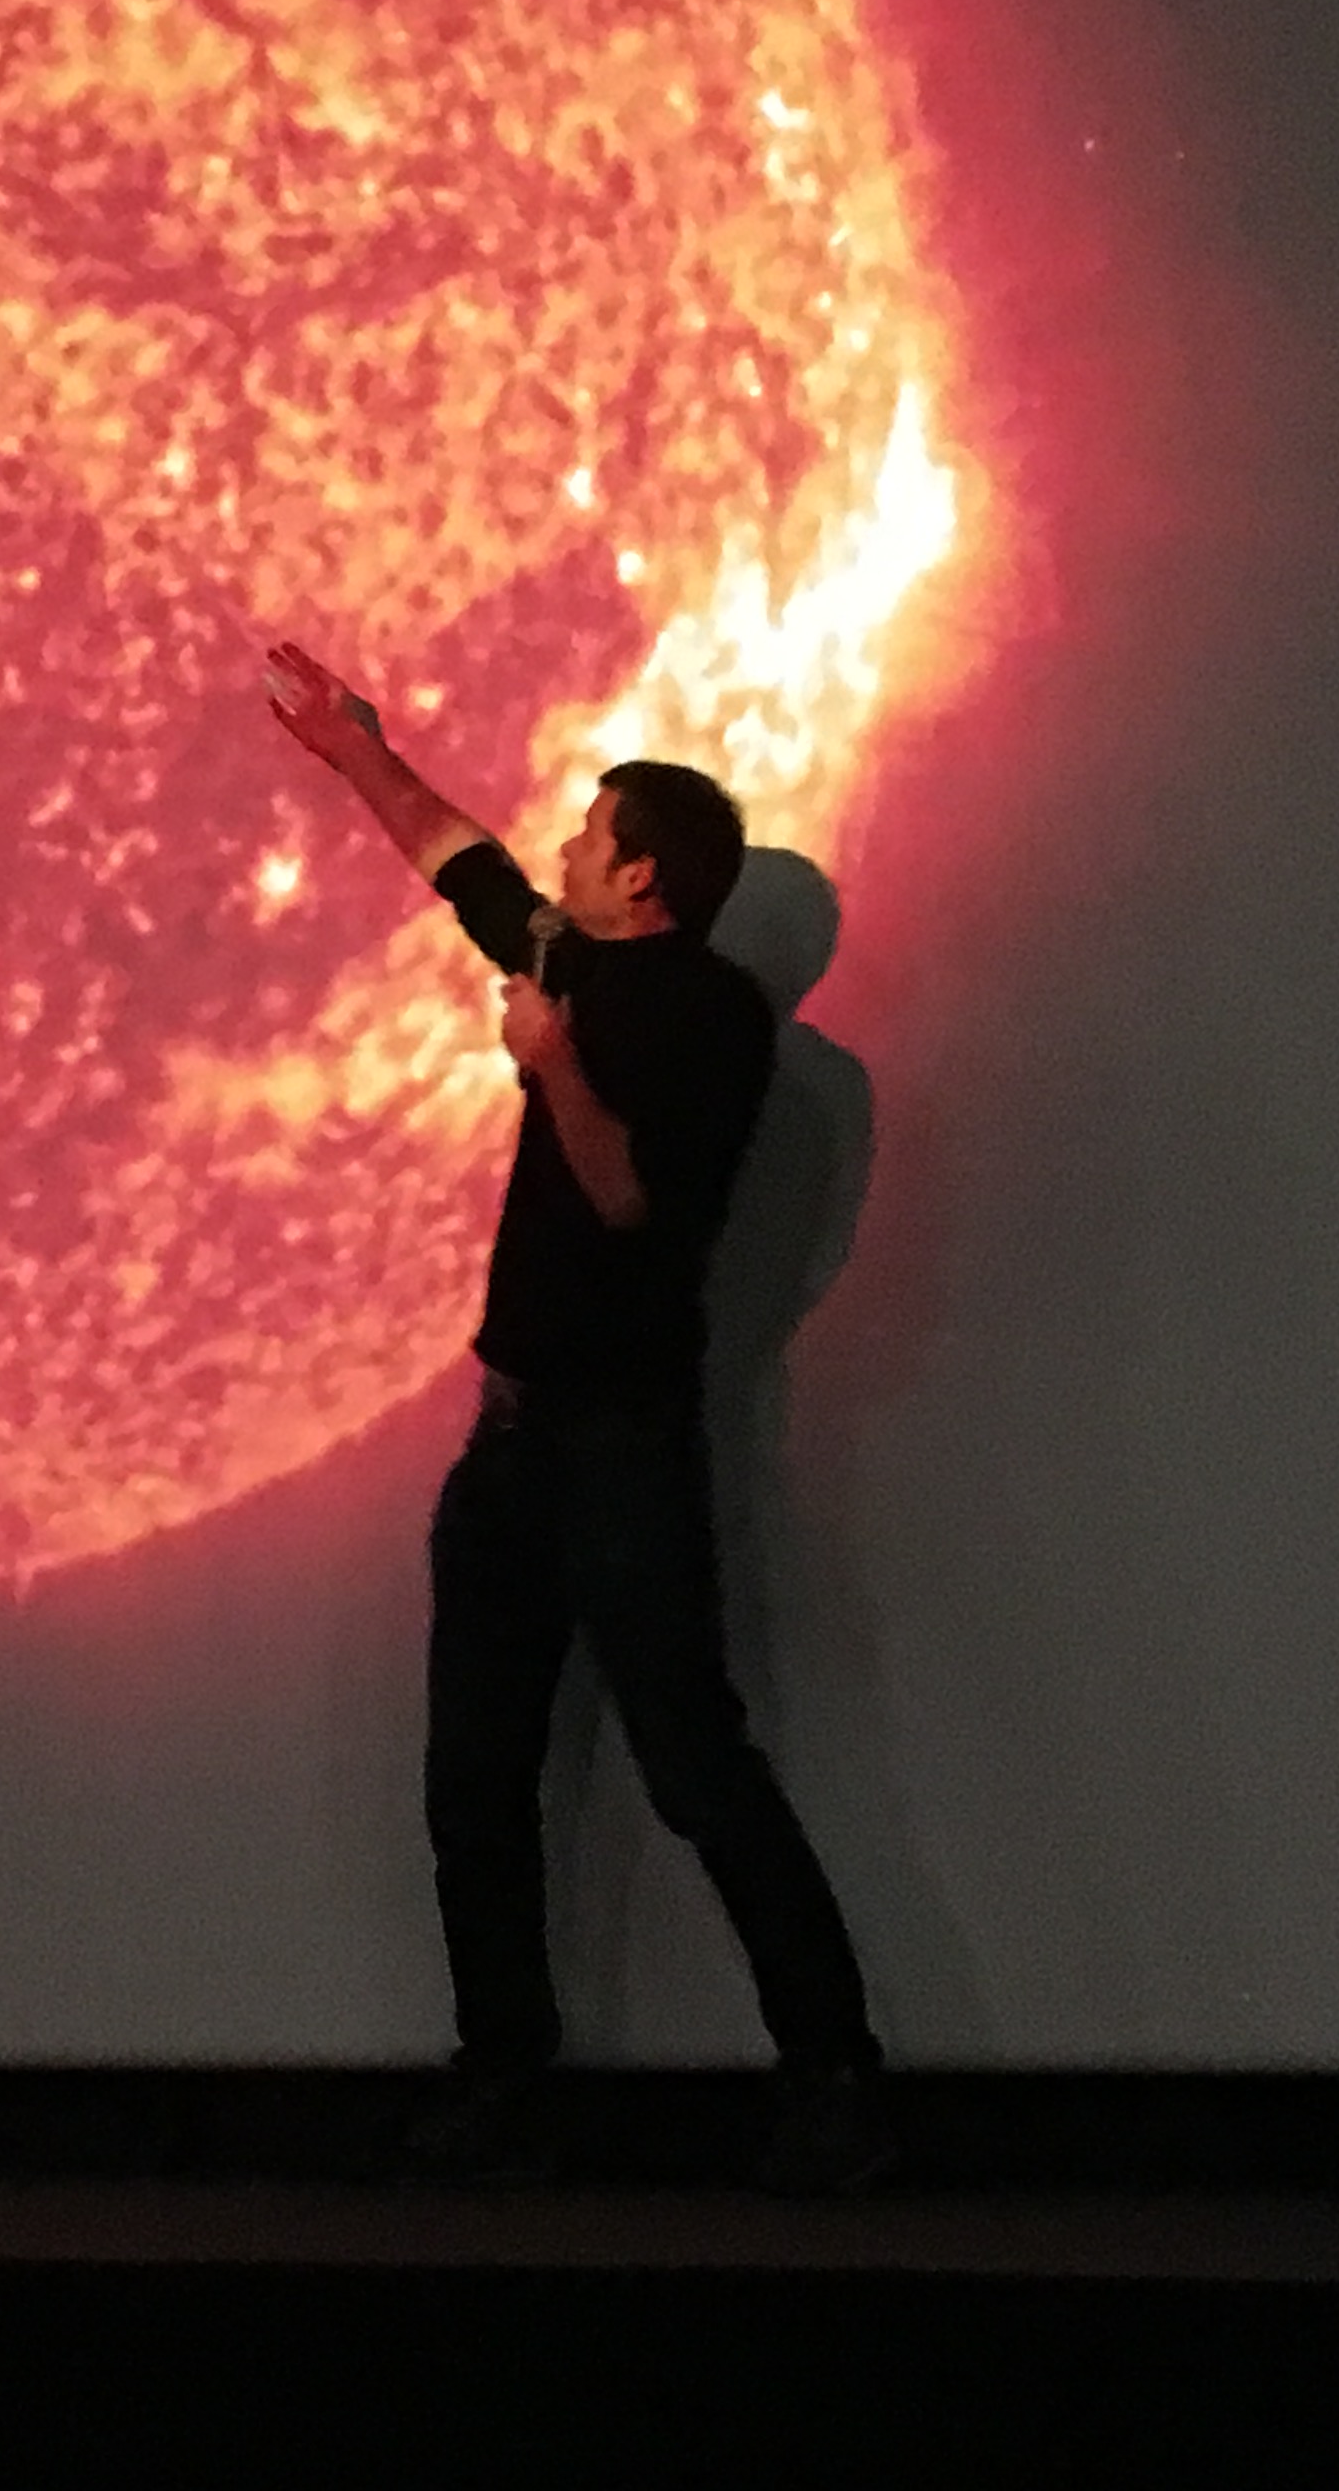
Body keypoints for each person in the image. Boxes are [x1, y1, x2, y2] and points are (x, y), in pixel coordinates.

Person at [262, 641, 892, 2196]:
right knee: (473, 1776)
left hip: (619, 1448)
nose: (565, 846)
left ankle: (834, 2075)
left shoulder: (710, 1022)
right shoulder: (576, 963)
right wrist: (355, 751)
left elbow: (634, 1204)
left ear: (644, 876)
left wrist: (550, 1070)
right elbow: (466, 866)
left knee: (693, 1764)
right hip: (514, 1447)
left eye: (592, 835)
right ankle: (505, 2071)